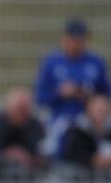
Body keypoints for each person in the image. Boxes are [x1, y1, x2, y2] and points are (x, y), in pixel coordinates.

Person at [35, 18, 109, 157]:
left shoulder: (96, 62)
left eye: (79, 39)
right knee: (53, 146)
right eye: (71, 39)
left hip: (90, 121)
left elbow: (105, 94)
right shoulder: (51, 62)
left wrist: (90, 97)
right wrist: (60, 93)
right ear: (64, 38)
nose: (75, 44)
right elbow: (40, 98)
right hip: (60, 119)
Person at [0, 88, 45, 171]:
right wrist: (7, 156)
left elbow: (43, 156)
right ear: (10, 108)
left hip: (31, 178)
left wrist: (28, 158)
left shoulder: (35, 126)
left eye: (25, 108)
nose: (23, 113)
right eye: (20, 108)